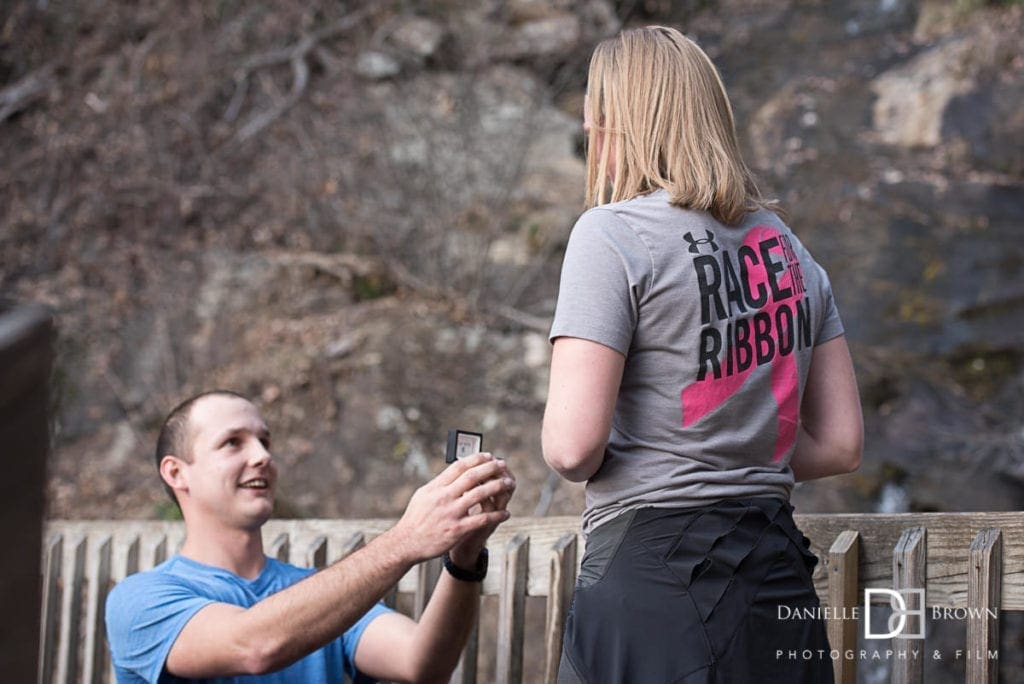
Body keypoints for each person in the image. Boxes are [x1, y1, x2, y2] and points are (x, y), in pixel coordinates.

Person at [542, 26, 863, 683]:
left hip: (655, 583)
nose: (586, 130)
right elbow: (840, 445)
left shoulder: (612, 235)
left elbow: (572, 449)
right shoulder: (790, 251)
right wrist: (737, 451)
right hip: (776, 582)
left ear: (621, 124)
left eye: (594, 117)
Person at [106, 389, 516, 683]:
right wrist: (405, 540)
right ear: (177, 473)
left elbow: (422, 665)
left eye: (264, 441)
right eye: (233, 443)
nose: (262, 456)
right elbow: (252, 646)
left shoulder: (318, 594)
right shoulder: (141, 599)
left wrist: (464, 558)